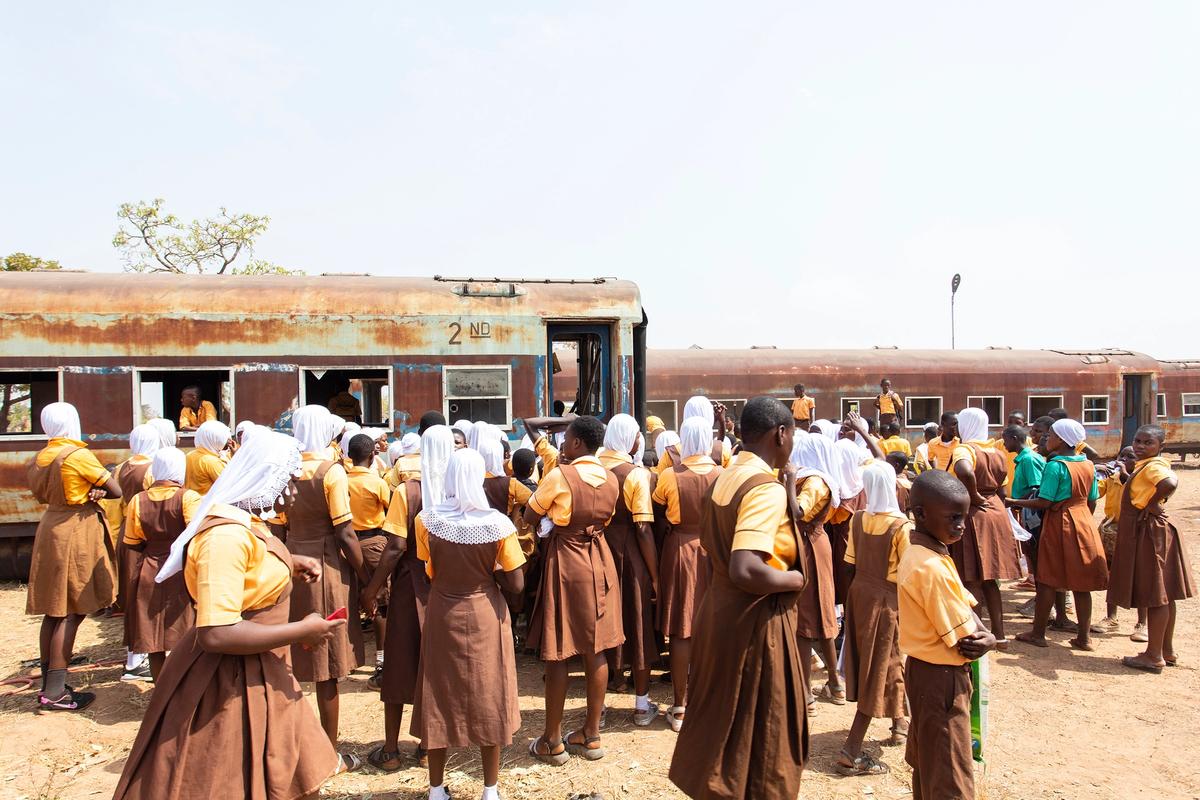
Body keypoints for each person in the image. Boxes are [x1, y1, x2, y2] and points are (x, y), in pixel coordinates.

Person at [112, 431, 344, 800]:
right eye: (290, 481)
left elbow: (253, 563)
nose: (295, 491)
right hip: (229, 681)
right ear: (267, 480)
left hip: (262, 669)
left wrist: (289, 562)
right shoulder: (226, 538)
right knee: (229, 775)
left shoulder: (247, 525)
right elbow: (217, 633)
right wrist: (301, 629)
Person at [668, 397, 807, 800]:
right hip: (754, 621)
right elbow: (746, 568)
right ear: (781, 434)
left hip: (720, 612)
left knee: (725, 723)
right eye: (793, 433)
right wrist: (795, 579)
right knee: (767, 729)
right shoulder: (764, 489)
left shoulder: (726, 475)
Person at [409, 448, 525, 800]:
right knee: (490, 692)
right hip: (485, 611)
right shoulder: (498, 525)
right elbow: (517, 584)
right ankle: (490, 788)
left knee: (438, 693)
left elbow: (428, 571)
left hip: (443, 609)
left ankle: (435, 787)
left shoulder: (427, 521)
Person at [524, 416, 623, 765]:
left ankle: (552, 739)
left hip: (567, 559)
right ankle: (591, 734)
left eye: (566, 440)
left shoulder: (559, 475)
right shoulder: (611, 478)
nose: (563, 445)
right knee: (596, 648)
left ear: (578, 443)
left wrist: (550, 520)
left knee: (560, 650)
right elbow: (605, 521)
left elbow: (529, 514)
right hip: (600, 557)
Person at [899, 470, 996, 800]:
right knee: (949, 770)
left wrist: (984, 631)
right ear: (922, 513)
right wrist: (989, 639)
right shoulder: (931, 567)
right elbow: (967, 639)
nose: (961, 526)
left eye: (964, 517)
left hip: (924, 671)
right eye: (953, 517)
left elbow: (965, 605)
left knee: (929, 761)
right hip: (941, 678)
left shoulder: (928, 552)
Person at [364, 424, 452, 771]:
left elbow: (395, 547)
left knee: (400, 665)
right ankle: (430, 745)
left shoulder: (407, 492)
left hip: (410, 584)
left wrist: (371, 589)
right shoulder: (460, 488)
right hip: (448, 589)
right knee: (436, 669)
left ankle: (391, 750)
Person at [287, 405, 368, 772]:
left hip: (289, 563)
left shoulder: (286, 467)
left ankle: (288, 744)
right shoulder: (330, 472)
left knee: (289, 656)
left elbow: (275, 522)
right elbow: (345, 531)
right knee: (326, 664)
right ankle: (328, 752)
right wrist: (365, 573)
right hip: (324, 566)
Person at [26, 402, 122, 712]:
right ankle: (55, 692)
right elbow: (115, 489)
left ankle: (48, 682)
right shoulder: (77, 455)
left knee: (54, 609)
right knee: (71, 609)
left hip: (51, 526)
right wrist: (97, 491)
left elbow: (44, 493)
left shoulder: (42, 455)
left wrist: (91, 490)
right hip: (75, 529)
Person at [836, 462, 912, 776]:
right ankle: (851, 748)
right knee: (878, 665)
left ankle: (900, 722)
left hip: (860, 594)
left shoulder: (858, 519)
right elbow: (908, 573)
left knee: (888, 659)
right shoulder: (902, 527)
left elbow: (850, 563)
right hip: (887, 597)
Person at [1006, 419, 1107, 651]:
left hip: (1059, 521)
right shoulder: (1088, 464)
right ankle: (1084, 637)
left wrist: (1012, 502)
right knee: (1082, 582)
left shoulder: (1056, 465)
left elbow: (1044, 501)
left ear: (1061, 439)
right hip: (1083, 520)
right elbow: (1092, 499)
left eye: (1050, 435)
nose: (1045, 439)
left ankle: (1038, 633)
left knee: (1047, 577)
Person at [652, 416, 723, 732]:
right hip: (713, 552)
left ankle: (680, 706)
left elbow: (659, 511)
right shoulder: (723, 474)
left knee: (681, 630)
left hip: (679, 549)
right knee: (712, 628)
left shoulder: (669, 475)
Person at [1107, 425, 1195, 673]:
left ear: (1160, 447)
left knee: (1155, 593)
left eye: (1148, 443)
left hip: (1148, 532)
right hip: (1153, 530)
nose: (1140, 446)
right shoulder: (1145, 466)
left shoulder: (1154, 467)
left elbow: (1170, 482)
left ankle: (1153, 655)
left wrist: (1154, 502)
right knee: (1165, 592)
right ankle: (1166, 650)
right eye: (1138, 441)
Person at [596, 414, 660, 724]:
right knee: (637, 622)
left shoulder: (591, 467)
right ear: (629, 439)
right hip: (629, 553)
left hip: (594, 551)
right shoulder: (635, 475)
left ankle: (600, 706)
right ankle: (641, 705)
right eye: (637, 436)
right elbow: (644, 528)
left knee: (599, 624)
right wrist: (655, 573)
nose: (640, 441)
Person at [121, 447, 200, 682]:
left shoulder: (137, 500)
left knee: (153, 636)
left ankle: (160, 689)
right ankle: (182, 688)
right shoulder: (188, 497)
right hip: (181, 569)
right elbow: (195, 535)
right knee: (183, 631)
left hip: (149, 569)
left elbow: (133, 542)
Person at [948, 408, 1020, 646]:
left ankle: (975, 633)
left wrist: (974, 494)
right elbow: (1003, 490)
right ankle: (999, 635)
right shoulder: (997, 452)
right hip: (995, 512)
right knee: (990, 579)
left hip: (972, 514)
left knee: (970, 578)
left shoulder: (965, 449)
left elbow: (964, 470)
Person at [788, 431, 843, 710]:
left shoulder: (815, 483)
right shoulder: (816, 479)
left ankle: (806, 692)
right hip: (813, 544)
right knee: (820, 614)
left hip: (808, 546)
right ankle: (834, 683)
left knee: (807, 618)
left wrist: (787, 480)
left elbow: (799, 511)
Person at [346, 433, 392, 684]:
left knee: (350, 601)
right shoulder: (377, 483)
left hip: (347, 544)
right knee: (380, 604)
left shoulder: (340, 480)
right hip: (374, 543)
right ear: (373, 455)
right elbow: (390, 508)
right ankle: (381, 663)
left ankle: (347, 659)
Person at [1095, 446, 1139, 630]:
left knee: (1138, 575)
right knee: (1111, 574)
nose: (1123, 459)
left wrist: (1125, 475)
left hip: (1134, 530)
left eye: (1130, 457)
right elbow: (1094, 492)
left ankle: (1142, 622)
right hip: (1111, 529)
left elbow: (1139, 497)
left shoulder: (1138, 479)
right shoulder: (1111, 479)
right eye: (1122, 455)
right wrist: (1094, 471)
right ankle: (1111, 617)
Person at [1003, 425, 1046, 593]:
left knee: (1035, 550)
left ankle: (1041, 593)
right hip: (1024, 510)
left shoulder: (1028, 459)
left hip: (1032, 514)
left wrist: (1014, 502)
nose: (1004, 444)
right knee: (1029, 549)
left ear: (1014, 439)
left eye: (1005, 440)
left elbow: (1035, 489)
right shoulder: (1022, 458)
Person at [185, 420, 231, 495]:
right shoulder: (212, 461)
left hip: (191, 502)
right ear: (214, 438)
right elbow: (229, 485)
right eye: (224, 438)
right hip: (209, 504)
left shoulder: (189, 455)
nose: (228, 442)